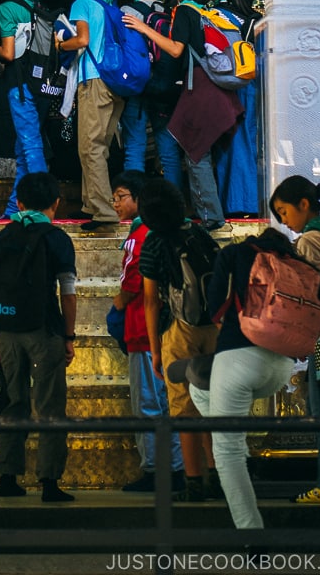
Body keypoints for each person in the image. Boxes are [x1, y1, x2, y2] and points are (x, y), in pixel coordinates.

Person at [185, 226, 298, 529]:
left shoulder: (233, 254)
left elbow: (215, 307)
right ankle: (234, 436)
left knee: (227, 450)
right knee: (200, 387)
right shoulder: (293, 262)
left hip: (238, 358)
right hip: (282, 366)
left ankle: (252, 534)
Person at [0, 170, 77, 503]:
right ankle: (50, 482)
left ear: (20, 202)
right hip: (44, 330)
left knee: (12, 404)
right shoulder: (56, 238)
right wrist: (69, 336)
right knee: (50, 404)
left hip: (7, 331)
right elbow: (67, 291)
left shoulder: (4, 237)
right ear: (56, 203)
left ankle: (8, 477)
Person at [124, 0, 233, 232]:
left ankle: (210, 218)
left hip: (198, 89)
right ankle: (200, 212)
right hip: (218, 88)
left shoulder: (185, 10)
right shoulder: (207, 10)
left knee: (196, 155)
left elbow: (175, 50)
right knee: (192, 151)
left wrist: (144, 28)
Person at [138, 179, 219, 502]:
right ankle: (218, 476)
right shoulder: (200, 234)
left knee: (185, 409)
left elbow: (150, 301)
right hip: (213, 328)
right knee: (213, 406)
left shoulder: (155, 243)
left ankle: (194, 482)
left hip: (178, 331)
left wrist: (156, 350)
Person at [269, 174, 320, 504]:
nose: (285, 221)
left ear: (303, 205)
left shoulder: (309, 239)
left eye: (284, 212)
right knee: (318, 404)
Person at [111, 171, 185, 494]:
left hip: (144, 330)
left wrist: (118, 302)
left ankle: (157, 470)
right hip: (173, 330)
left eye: (121, 196)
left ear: (141, 201)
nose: (115, 203)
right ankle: (182, 468)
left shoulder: (140, 235)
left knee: (149, 403)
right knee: (173, 402)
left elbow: (133, 282)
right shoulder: (174, 233)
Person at [56, 0, 123, 232]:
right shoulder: (111, 3)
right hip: (115, 82)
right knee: (100, 146)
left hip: (93, 81)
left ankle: (104, 212)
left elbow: (82, 40)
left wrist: (60, 45)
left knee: (89, 147)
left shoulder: (82, 3)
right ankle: (90, 204)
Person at [203, 0, 262, 217]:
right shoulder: (249, 14)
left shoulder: (218, 15)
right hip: (252, 86)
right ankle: (243, 201)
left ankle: (239, 204)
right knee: (246, 141)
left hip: (231, 86)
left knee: (233, 143)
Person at [118, 0, 183, 187]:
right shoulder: (168, 10)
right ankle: (174, 204)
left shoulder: (129, 10)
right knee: (168, 150)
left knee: (134, 147)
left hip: (138, 88)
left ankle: (135, 208)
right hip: (165, 88)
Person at [0, 0, 51, 219]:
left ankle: (42, 205)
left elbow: (8, 53)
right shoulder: (40, 5)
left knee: (30, 146)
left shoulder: (7, 8)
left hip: (19, 84)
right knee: (23, 148)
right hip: (42, 85)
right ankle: (11, 209)